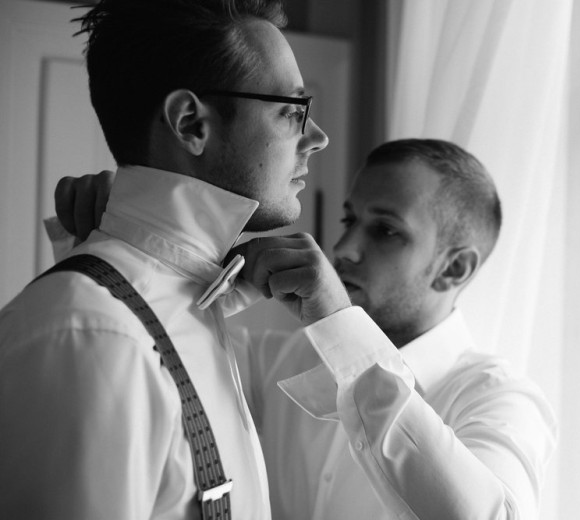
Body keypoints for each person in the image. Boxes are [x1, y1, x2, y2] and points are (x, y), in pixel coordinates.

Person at [54, 139, 558, 519]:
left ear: (454, 269)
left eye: (385, 230)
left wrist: (342, 328)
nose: (344, 248)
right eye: (349, 220)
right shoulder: (272, 364)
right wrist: (111, 239)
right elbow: (133, 351)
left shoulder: (500, 399)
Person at [0, 0, 354, 518]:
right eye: (291, 110)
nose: (317, 138)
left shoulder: (194, 310)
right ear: (190, 123)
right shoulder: (98, 334)